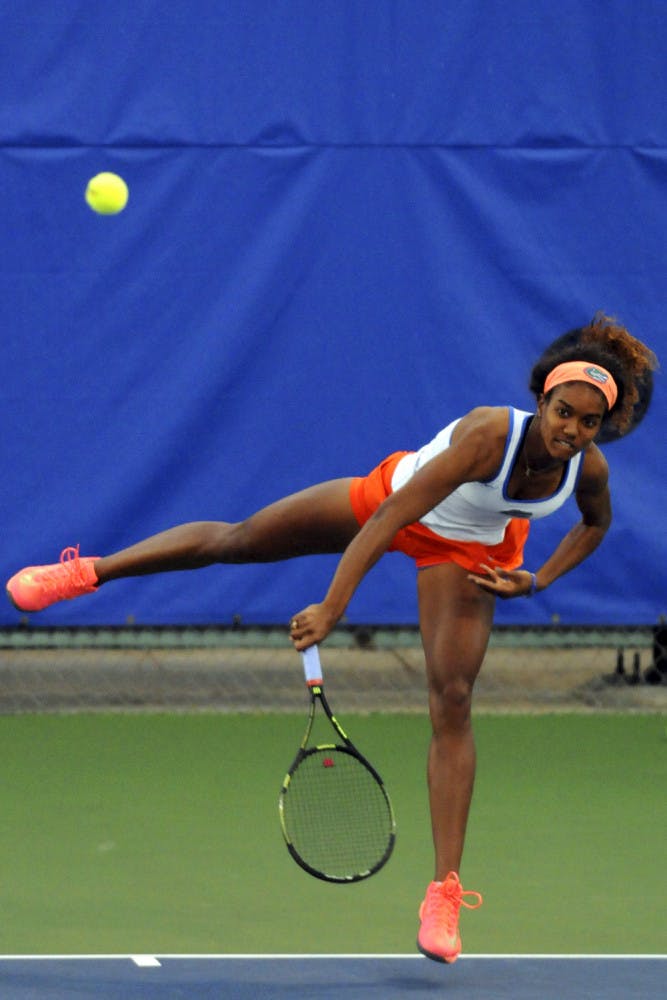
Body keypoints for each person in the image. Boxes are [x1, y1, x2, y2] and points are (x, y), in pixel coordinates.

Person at [6, 313, 658, 963]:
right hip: (391, 503)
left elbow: (594, 525)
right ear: (541, 399)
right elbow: (389, 518)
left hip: (468, 554)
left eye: (588, 422)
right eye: (563, 412)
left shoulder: (589, 471)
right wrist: (332, 606)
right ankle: (88, 572)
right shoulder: (488, 437)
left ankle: (444, 893)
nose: (571, 430)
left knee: (454, 700)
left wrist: (537, 580)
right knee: (240, 540)